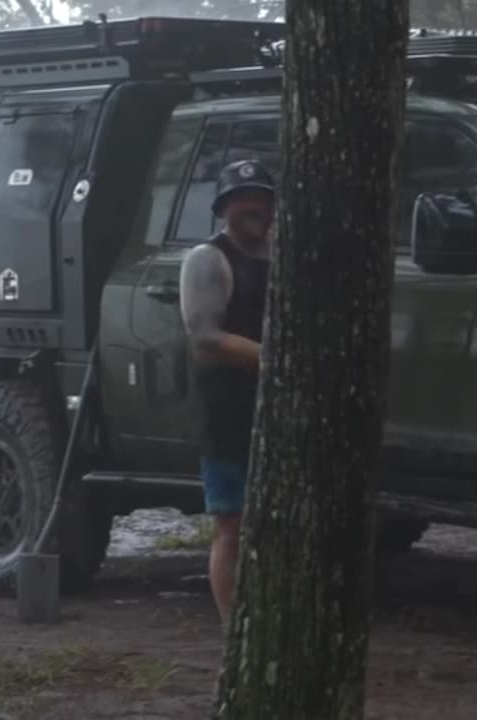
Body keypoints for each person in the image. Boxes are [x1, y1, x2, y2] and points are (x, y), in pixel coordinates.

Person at [178, 158, 276, 625]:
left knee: (278, 526)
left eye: (262, 199)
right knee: (231, 527)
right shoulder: (207, 259)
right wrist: (281, 362)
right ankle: (234, 633)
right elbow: (206, 338)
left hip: (278, 414)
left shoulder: (282, 256)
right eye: (243, 199)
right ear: (224, 208)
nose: (254, 207)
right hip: (229, 412)